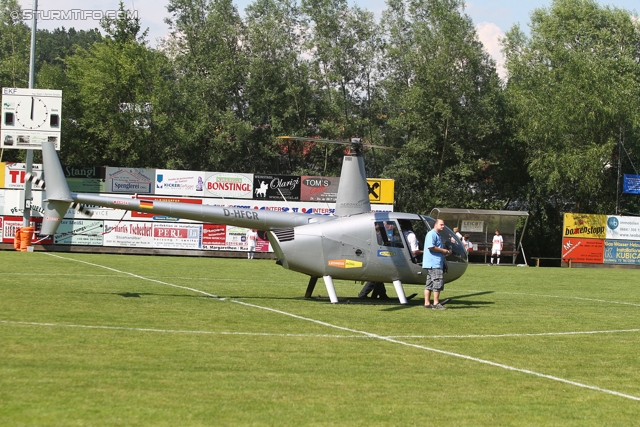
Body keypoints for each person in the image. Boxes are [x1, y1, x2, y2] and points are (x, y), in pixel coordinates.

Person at [422, 219, 450, 310]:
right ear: (435, 225)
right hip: (434, 263)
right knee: (437, 282)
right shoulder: (432, 234)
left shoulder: (436, 234)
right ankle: (436, 303)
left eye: (443, 225)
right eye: (441, 224)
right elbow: (431, 247)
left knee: (429, 283)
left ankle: (427, 303)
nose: (443, 226)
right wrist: (443, 251)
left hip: (432, 263)